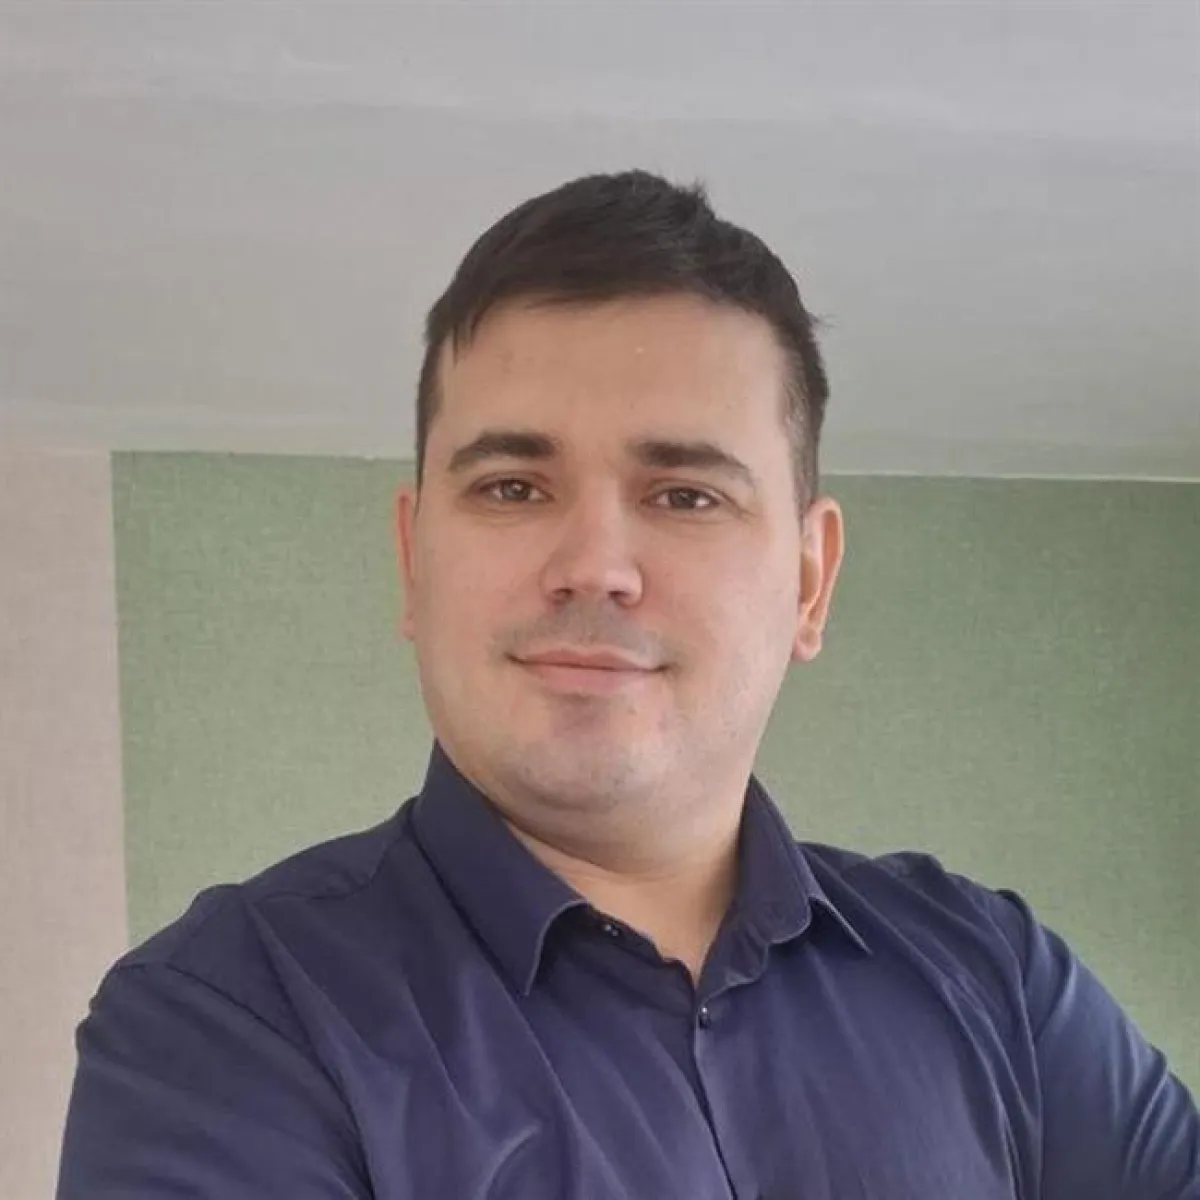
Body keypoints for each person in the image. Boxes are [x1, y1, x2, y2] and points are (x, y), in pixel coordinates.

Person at [58, 170, 1198, 1199]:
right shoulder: (226, 1021)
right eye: (512, 487)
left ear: (810, 580)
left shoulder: (996, 979)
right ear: (414, 559)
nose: (593, 564)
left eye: (686, 495)